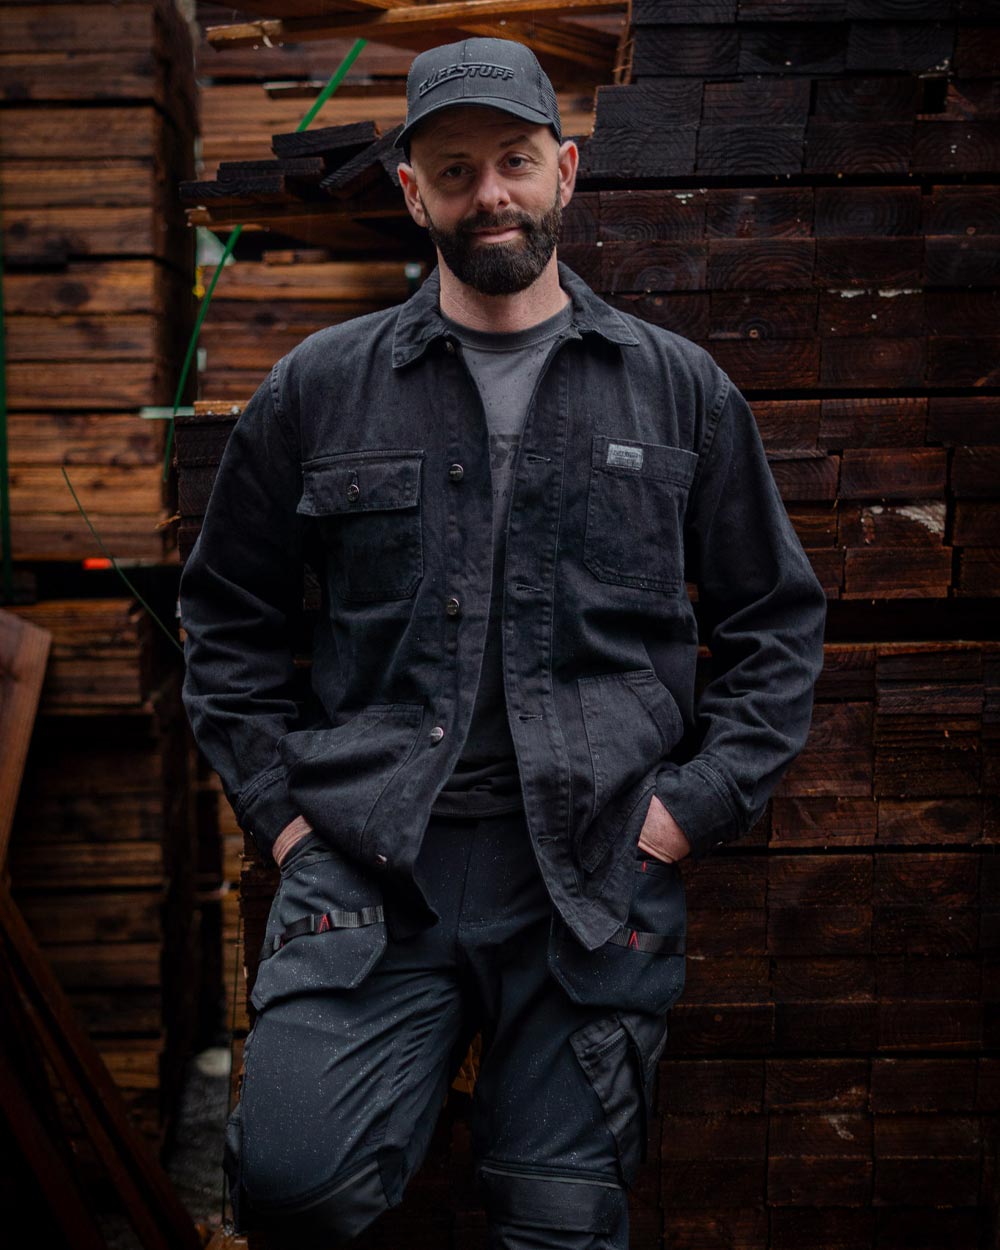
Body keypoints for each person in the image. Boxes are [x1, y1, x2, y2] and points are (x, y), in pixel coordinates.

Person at [179, 35, 827, 1250]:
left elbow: (773, 624)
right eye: (456, 167)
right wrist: (284, 813)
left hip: (592, 869)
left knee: (559, 1222)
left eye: (515, 161)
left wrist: (683, 810)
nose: (491, 194)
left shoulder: (677, 391)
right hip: (373, 864)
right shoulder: (319, 390)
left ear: (565, 171)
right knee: (292, 1186)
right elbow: (224, 621)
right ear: (410, 189)